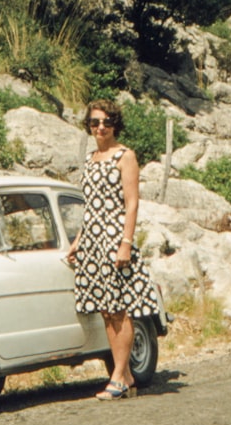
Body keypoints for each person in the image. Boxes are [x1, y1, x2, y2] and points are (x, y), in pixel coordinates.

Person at [66, 99, 160, 400]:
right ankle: (127, 377)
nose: (100, 127)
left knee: (120, 310)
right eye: (95, 123)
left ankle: (118, 376)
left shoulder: (125, 156)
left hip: (115, 239)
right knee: (106, 311)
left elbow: (131, 203)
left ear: (114, 124)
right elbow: (91, 206)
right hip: (93, 241)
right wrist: (79, 240)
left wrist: (126, 244)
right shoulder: (90, 159)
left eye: (106, 122)